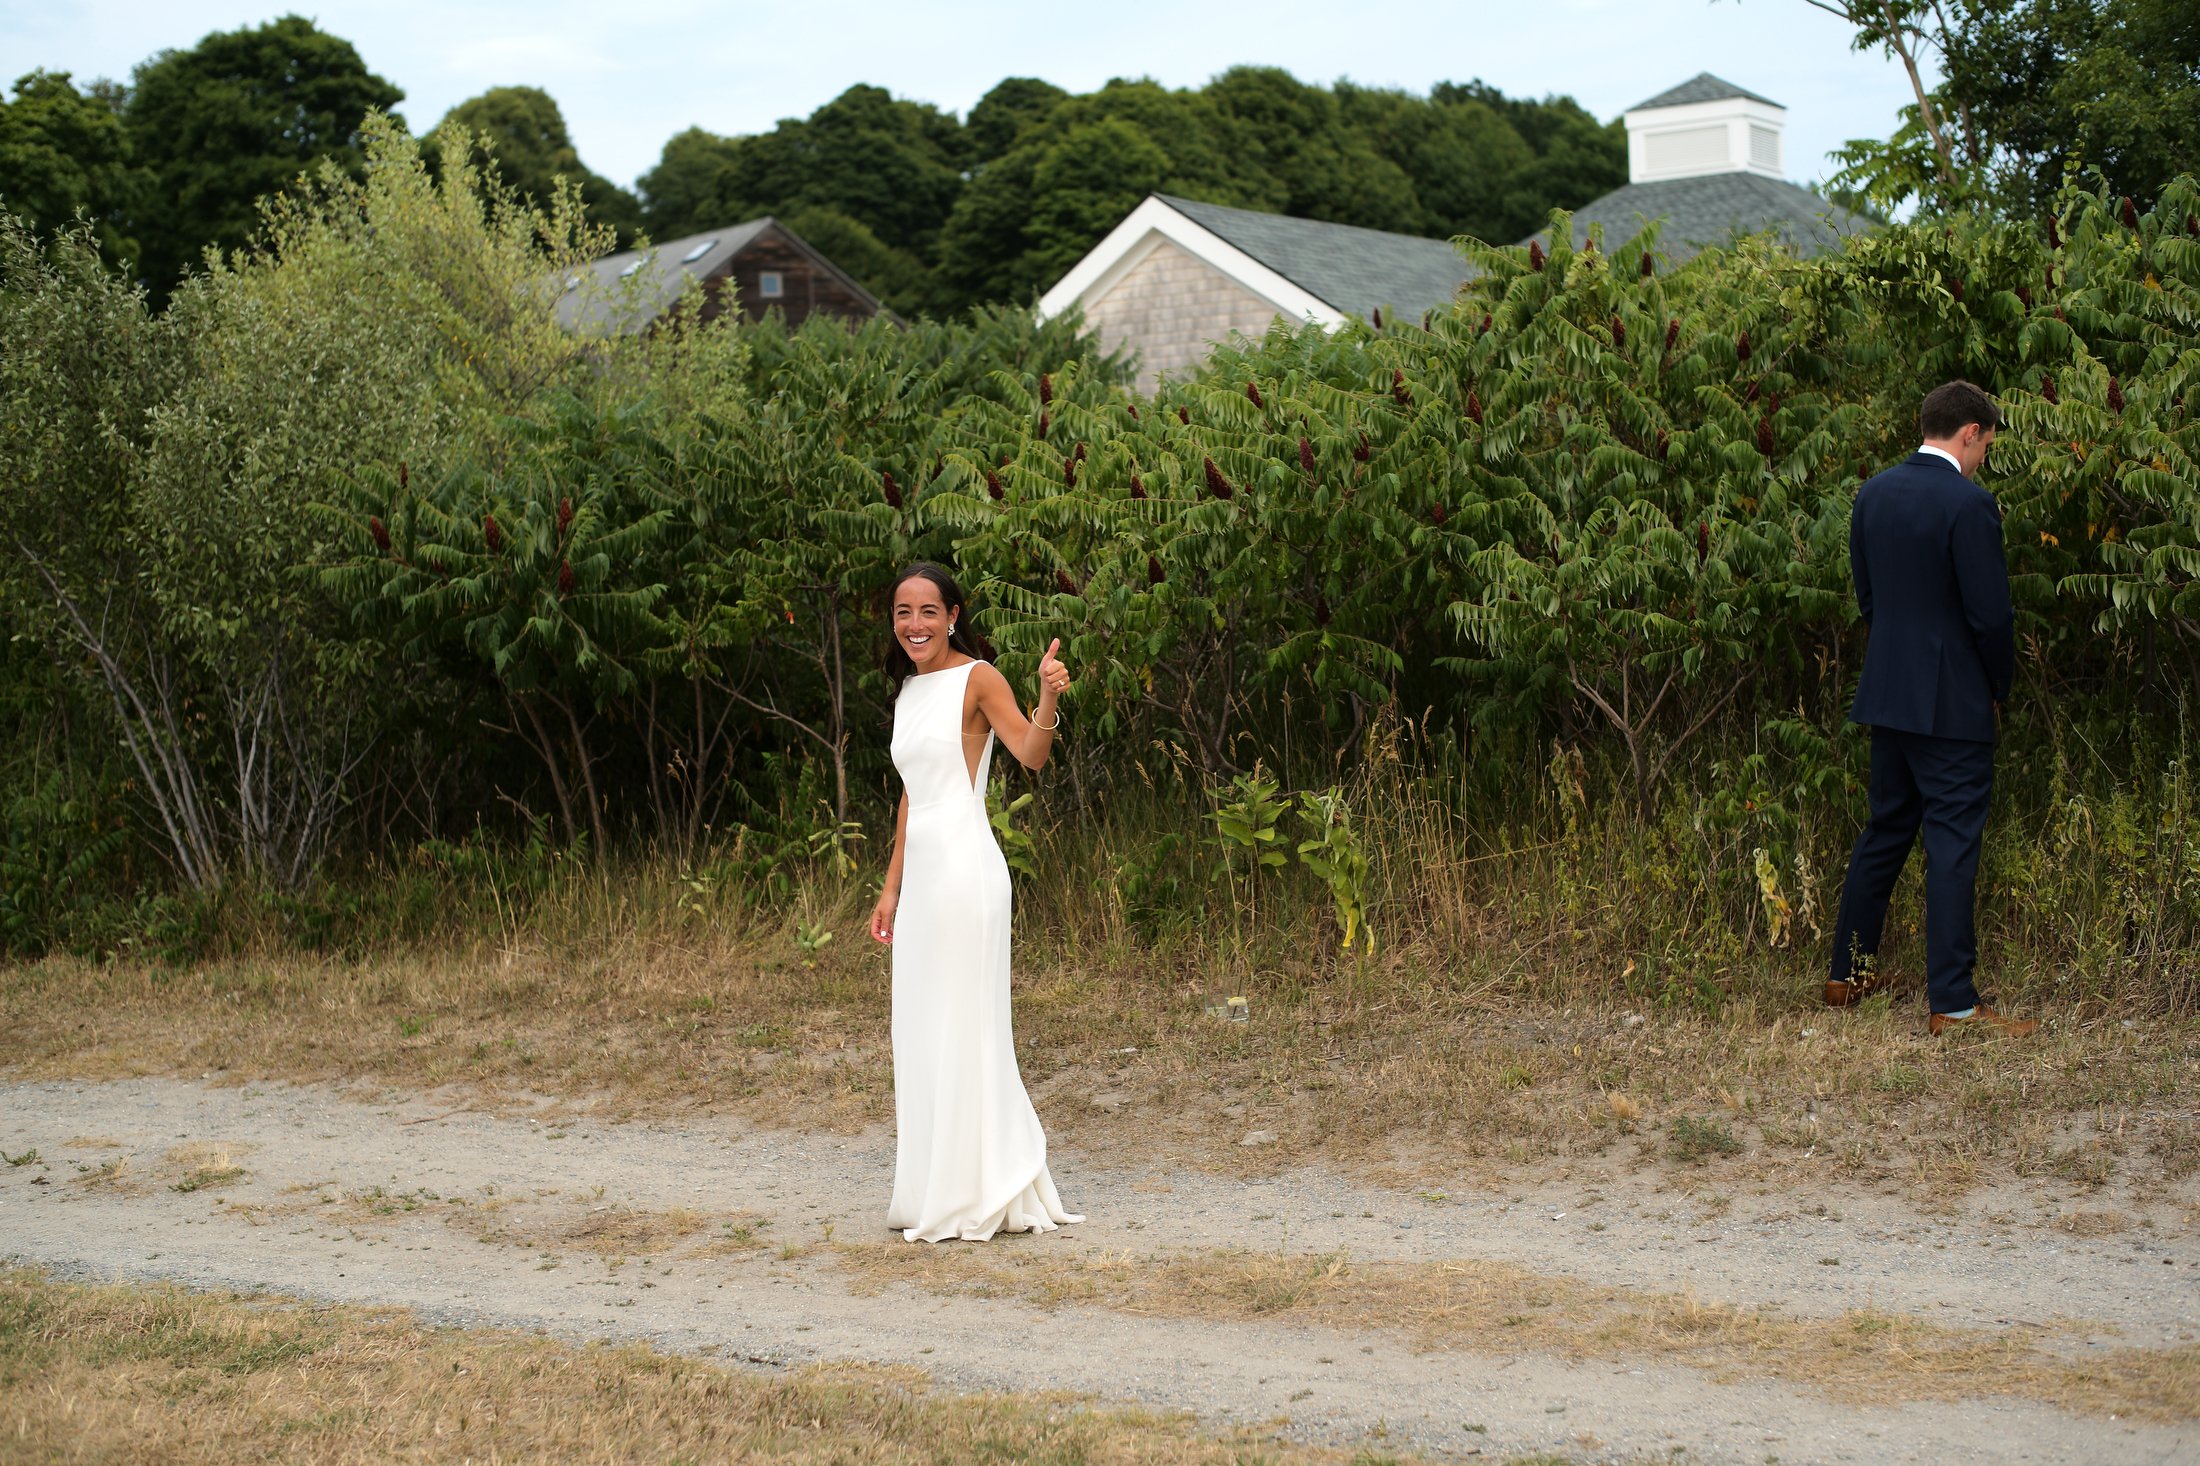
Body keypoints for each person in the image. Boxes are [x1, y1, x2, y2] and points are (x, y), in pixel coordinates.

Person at [869, 562, 1084, 1241]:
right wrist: (891, 887)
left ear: (954, 614)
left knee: (966, 1025)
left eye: (928, 610)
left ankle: (984, 1189)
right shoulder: (908, 690)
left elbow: (1030, 752)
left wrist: (1048, 697)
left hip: (967, 874)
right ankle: (939, 1185)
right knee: (922, 1028)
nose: (914, 624)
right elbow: (911, 796)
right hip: (925, 882)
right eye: (904, 612)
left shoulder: (978, 677)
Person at [1825, 381, 2037, 1036]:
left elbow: (1867, 598)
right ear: (1969, 432)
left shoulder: (1873, 494)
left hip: (1887, 694)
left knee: (1885, 830)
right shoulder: (1968, 505)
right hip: (1952, 705)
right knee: (1951, 843)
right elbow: (1992, 618)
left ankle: (1848, 974)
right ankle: (1953, 1002)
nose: (1982, 460)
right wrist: (1997, 689)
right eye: (1985, 446)